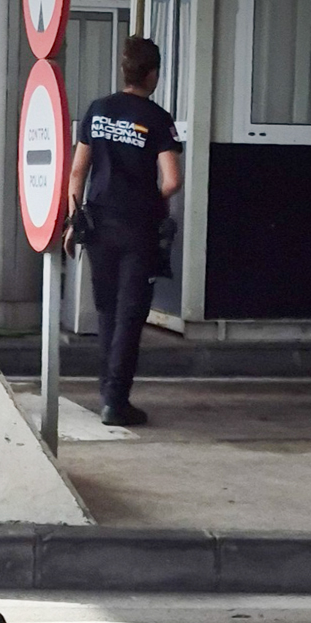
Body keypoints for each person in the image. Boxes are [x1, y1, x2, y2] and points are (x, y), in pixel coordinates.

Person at [65, 34, 182, 428]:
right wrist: (149, 199)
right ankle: (116, 402)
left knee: (106, 311)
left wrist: (74, 220)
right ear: (153, 74)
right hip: (138, 226)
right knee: (131, 314)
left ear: (124, 70)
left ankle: (106, 394)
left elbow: (78, 172)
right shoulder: (157, 118)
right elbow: (172, 180)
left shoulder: (97, 110)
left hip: (99, 224)